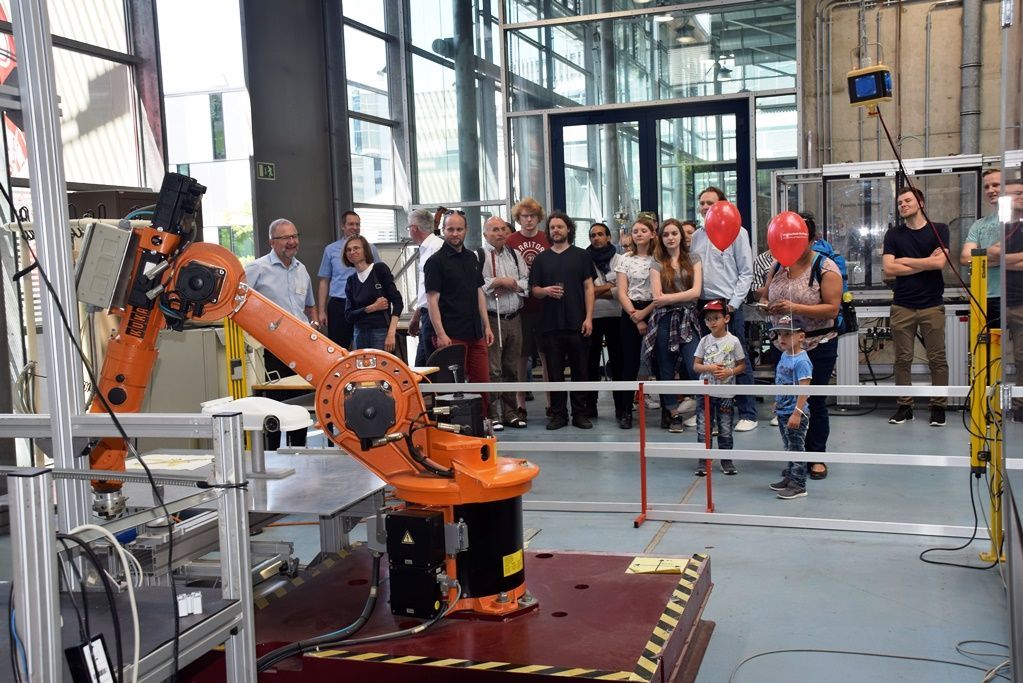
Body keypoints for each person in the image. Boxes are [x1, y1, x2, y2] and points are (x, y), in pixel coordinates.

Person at [760, 212, 841, 481]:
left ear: (810, 238)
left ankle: (816, 456)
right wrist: (766, 306)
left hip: (818, 343)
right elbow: (766, 293)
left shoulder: (825, 266)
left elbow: (831, 308)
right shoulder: (777, 266)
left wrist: (795, 307)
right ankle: (795, 454)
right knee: (786, 403)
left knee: (813, 401)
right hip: (785, 345)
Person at [244, 218, 317, 450]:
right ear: (272, 242)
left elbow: (309, 306)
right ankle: (272, 455)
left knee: (299, 404)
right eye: (286, 238)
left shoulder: (301, 269)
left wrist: (313, 323)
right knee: (276, 403)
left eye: (294, 236)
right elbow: (239, 299)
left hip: (302, 347)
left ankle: (299, 450)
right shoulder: (257, 268)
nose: (292, 242)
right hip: (273, 348)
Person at [690, 187, 758, 432]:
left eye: (711, 203)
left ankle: (748, 412)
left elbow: (746, 273)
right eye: (702, 203)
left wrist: (732, 304)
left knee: (738, 357)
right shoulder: (697, 236)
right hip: (702, 304)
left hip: (727, 304)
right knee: (707, 358)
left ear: (722, 205)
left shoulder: (738, 233)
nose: (705, 207)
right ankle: (710, 413)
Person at [882, 186, 950, 426]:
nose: (903, 205)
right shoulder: (893, 235)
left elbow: (940, 263)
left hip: (932, 304)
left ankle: (938, 406)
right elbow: (889, 269)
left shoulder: (939, 229)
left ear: (921, 203)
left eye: (908, 200)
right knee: (902, 359)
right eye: (900, 202)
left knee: (937, 358)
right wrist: (926, 262)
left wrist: (907, 261)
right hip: (902, 305)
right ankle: (905, 407)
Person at [529, 211, 595, 430]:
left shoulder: (581, 256)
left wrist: (588, 318)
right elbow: (534, 290)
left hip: (577, 323)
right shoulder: (541, 259)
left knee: (580, 371)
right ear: (548, 232)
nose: (556, 230)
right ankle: (558, 414)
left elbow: (589, 288)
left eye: (560, 226)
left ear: (569, 229)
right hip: (550, 325)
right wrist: (545, 290)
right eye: (552, 227)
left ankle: (580, 414)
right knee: (554, 372)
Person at [425, 210, 494, 385]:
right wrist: (440, 334)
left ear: (466, 230)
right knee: (451, 386)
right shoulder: (435, 262)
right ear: (443, 230)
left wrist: (486, 326)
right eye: (450, 229)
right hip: (450, 334)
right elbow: (432, 300)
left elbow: (478, 291)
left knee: (482, 383)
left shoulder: (472, 257)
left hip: (475, 333)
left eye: (459, 229)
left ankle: (482, 414)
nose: (455, 233)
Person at [645, 220, 702, 432]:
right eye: (666, 234)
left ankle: (704, 412)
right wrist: (677, 298)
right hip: (663, 319)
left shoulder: (693, 259)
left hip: (688, 317)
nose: (670, 237)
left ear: (681, 236)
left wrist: (669, 298)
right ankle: (674, 414)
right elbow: (656, 297)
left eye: (674, 233)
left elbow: (696, 293)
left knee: (694, 364)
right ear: (661, 238)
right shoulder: (656, 262)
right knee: (665, 369)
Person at [480, 216, 530, 429]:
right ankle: (493, 414)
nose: (499, 233)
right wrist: (498, 281)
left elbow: (526, 282)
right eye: (494, 230)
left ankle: (510, 412)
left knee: (511, 367)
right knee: (494, 370)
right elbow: (480, 285)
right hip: (492, 318)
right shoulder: (479, 256)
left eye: (502, 229)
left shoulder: (515, 255)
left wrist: (511, 285)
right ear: (485, 234)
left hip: (514, 318)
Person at [506, 197, 551, 422]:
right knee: (521, 358)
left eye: (533, 216)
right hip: (521, 307)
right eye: (525, 216)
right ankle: (519, 403)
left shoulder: (547, 239)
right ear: (518, 218)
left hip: (545, 307)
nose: (529, 220)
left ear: (538, 218)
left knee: (546, 356)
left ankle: (551, 403)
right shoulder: (510, 240)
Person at [614, 218, 658, 429]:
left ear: (652, 233)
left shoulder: (659, 259)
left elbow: (660, 293)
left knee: (658, 362)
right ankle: (624, 411)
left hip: (654, 310)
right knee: (628, 364)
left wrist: (645, 315)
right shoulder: (625, 259)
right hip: (630, 311)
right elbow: (621, 291)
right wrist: (634, 314)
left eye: (643, 230)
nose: (639, 234)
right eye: (635, 231)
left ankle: (668, 411)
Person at [692, 299, 744, 476]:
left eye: (716, 318)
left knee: (725, 427)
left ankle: (726, 460)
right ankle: (703, 460)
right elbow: (696, 365)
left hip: (726, 393)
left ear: (726, 319)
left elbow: (742, 365)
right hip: (705, 393)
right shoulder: (704, 341)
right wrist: (710, 368)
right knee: (703, 427)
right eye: (708, 319)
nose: (712, 322)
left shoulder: (734, 341)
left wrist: (729, 372)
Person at [317, 210, 380, 348]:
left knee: (365, 347)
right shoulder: (330, 250)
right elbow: (324, 281)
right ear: (343, 226)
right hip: (339, 304)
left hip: (364, 304)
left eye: (357, 224)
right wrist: (321, 311)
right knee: (339, 348)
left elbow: (378, 276)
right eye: (351, 224)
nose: (355, 227)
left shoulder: (370, 248)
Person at [766, 315, 813, 500]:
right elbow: (784, 382)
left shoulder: (801, 361)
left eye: (788, 334)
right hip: (784, 411)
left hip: (795, 413)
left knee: (796, 447)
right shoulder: (785, 355)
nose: (782, 338)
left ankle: (799, 484)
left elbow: (804, 390)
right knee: (788, 446)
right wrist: (779, 402)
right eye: (779, 334)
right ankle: (790, 477)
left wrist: (797, 413)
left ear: (801, 337)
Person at [584, 222, 625, 420]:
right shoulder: (584, 260)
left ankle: (621, 407)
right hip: (592, 317)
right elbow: (584, 290)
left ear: (608, 237)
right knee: (590, 363)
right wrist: (609, 287)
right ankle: (590, 406)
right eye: (593, 235)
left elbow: (621, 291)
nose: (596, 238)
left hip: (617, 316)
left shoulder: (620, 259)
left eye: (600, 234)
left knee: (618, 362)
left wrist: (595, 290)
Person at [343, 235, 403, 352]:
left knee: (381, 368)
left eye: (356, 248)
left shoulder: (379, 269)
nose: (352, 252)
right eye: (348, 250)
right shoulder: (351, 280)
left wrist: (391, 333)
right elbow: (348, 315)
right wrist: (372, 307)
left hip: (381, 332)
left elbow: (398, 302)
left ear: (365, 251)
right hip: (359, 333)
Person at [959, 169, 1003, 328]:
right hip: (982, 297)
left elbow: (1007, 252)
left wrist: (978, 259)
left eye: (996, 185)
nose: (991, 190)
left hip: (1011, 297)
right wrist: (996, 256)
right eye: (987, 186)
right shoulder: (979, 224)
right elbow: (964, 258)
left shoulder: (1017, 219)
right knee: (987, 350)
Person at [407, 208, 445, 366]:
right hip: (425, 313)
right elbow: (425, 289)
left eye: (409, 227)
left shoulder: (435, 248)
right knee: (421, 368)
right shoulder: (427, 247)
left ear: (414, 228)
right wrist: (416, 315)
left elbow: (434, 289)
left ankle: (439, 392)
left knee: (434, 366)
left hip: (434, 313)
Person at [1000, 177, 1023, 421]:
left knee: (1022, 358)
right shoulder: (998, 226)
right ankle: (991, 404)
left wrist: (1003, 258)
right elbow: (980, 256)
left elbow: (997, 257)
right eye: (1015, 194)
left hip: (1021, 302)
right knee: (990, 356)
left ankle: (1019, 405)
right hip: (997, 300)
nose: (1020, 197)